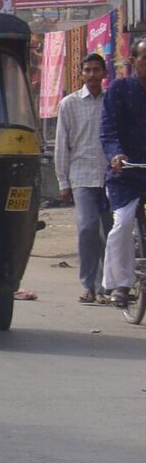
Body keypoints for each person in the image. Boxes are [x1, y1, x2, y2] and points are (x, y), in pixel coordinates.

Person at [55, 54, 111, 305]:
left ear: (104, 73)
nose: (91, 75)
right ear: (81, 74)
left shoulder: (112, 102)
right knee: (88, 228)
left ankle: (106, 286)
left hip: (111, 176)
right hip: (81, 176)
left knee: (109, 232)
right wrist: (62, 181)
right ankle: (89, 286)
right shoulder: (69, 104)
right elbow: (61, 145)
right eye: (87, 70)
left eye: (96, 70)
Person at [100, 39, 146, 309]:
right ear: (133, 61)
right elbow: (108, 129)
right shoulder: (119, 89)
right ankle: (121, 283)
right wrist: (116, 154)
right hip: (125, 173)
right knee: (123, 222)